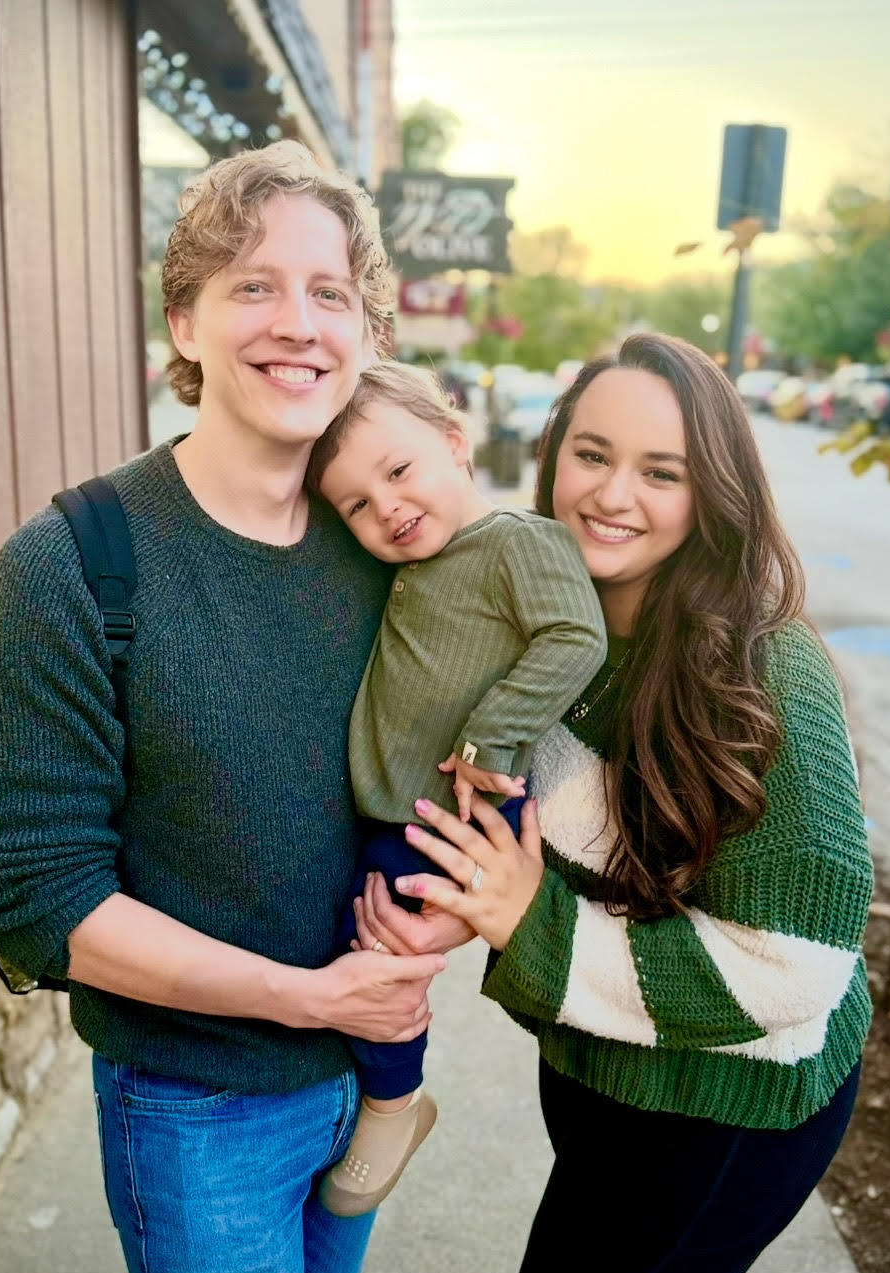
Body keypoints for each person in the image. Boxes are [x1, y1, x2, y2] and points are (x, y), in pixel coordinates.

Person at [0, 141, 449, 1273]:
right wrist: (308, 998)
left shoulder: (384, 546)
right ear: (184, 322)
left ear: (368, 333)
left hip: (367, 1076)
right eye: (255, 286)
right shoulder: (74, 564)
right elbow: (40, 898)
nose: (299, 324)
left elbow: (461, 759)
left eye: (330, 293)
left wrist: (451, 917)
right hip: (197, 1113)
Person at [353, 333, 874, 1271]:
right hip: (601, 1062)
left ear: (714, 491)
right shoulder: (542, 618)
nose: (612, 494)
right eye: (591, 455)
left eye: (661, 472)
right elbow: (558, 840)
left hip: (724, 1105)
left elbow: (794, 970)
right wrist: (472, 907)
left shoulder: (765, 673)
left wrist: (530, 923)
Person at [305, 360, 606, 1215]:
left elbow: (574, 635)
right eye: (356, 505)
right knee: (357, 936)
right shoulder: (419, 559)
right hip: (398, 807)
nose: (387, 506)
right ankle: (371, 1092)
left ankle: (393, 1107)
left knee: (382, 953)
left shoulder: (519, 541)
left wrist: (489, 736)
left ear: (454, 440)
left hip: (453, 811)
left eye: (399, 470)